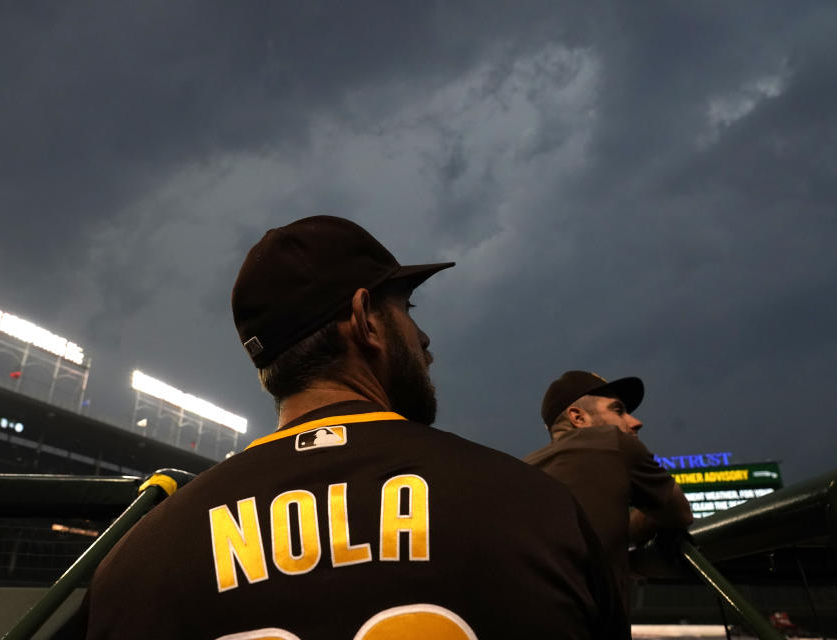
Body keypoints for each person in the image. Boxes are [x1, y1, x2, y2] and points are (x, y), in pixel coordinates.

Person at [83, 216, 628, 639]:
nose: (423, 338)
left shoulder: (135, 564)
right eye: (407, 309)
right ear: (366, 318)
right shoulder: (534, 508)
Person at [524, 370, 694, 612]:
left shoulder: (525, 468)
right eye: (618, 410)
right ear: (578, 418)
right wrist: (642, 523)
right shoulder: (614, 442)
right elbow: (679, 513)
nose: (636, 421)